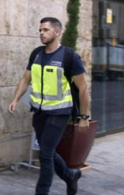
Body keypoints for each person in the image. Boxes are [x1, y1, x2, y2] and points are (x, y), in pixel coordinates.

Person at [8, 17, 90, 195]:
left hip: (59, 112)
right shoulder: (36, 53)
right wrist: (15, 99)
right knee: (48, 151)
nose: (41, 33)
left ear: (57, 32)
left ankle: (42, 192)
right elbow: (26, 78)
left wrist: (84, 117)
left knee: (44, 154)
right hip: (39, 112)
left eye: (45, 30)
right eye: (40, 30)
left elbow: (83, 88)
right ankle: (70, 175)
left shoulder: (69, 56)